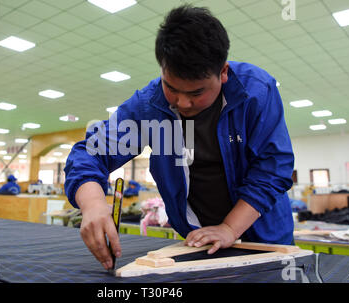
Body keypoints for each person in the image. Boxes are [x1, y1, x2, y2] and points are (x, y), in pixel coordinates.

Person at [64, 5, 295, 270]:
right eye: (171, 88)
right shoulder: (149, 105)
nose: (182, 103)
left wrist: (230, 227)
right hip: (198, 240)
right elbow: (90, 152)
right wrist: (93, 203)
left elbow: (273, 169)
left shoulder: (256, 91)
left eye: (196, 93)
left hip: (263, 237)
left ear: (223, 72)